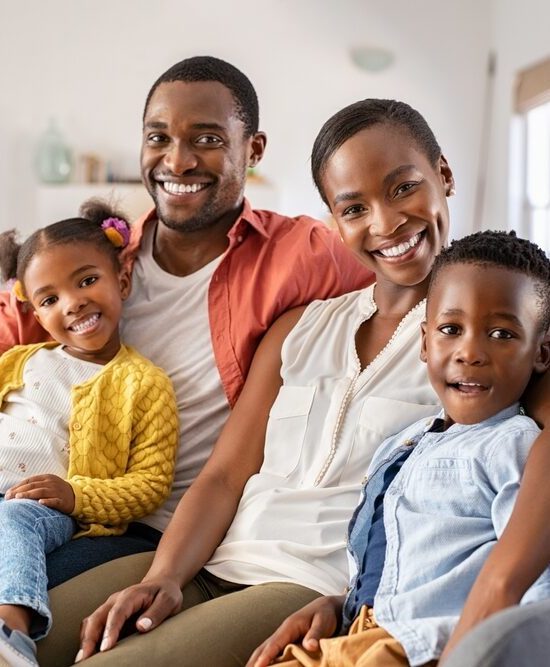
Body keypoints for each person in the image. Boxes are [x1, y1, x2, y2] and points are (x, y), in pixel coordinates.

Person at [58, 98, 449, 667]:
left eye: (402, 188)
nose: (385, 224)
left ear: (443, 175)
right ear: (333, 222)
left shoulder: (479, 349)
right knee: (18, 627)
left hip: (301, 586)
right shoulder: (301, 327)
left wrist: (355, 601)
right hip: (211, 561)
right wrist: (165, 576)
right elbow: (223, 475)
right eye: (354, 207)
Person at [0, 56, 372, 589]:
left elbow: (416, 264)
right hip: (67, 505)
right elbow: (16, 318)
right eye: (159, 138)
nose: (178, 161)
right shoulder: (103, 261)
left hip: (167, 528)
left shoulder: (302, 253)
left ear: (254, 149)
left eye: (208, 139)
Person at [247, 230, 550, 667]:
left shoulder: (513, 447)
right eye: (450, 329)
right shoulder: (400, 445)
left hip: (424, 645)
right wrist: (341, 606)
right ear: (425, 344)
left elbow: (534, 592)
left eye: (502, 334)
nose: (470, 352)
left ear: (541, 354)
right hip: (353, 634)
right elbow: (388, 558)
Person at [0, 202, 179, 667]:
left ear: (121, 280)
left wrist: (74, 495)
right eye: (50, 299)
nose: (72, 302)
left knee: (12, 522)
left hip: (40, 511)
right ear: (36, 313)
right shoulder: (19, 361)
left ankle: (10, 635)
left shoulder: (143, 383)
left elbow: (149, 486)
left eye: (85, 281)